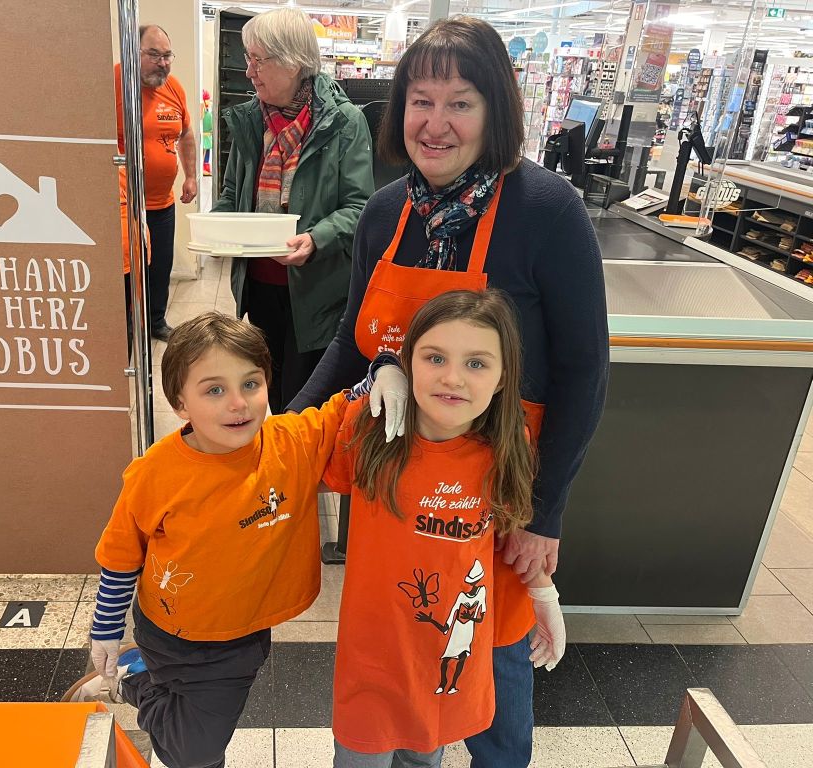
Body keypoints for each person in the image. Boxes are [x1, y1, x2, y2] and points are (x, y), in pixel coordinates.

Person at [289, 17, 608, 768]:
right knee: (405, 670)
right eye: (421, 101)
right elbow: (353, 343)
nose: (436, 124)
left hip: (497, 499)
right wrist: (284, 435)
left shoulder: (546, 212)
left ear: (496, 111)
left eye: (460, 103)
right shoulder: (385, 212)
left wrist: (544, 513)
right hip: (397, 497)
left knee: (493, 685)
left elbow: (585, 372)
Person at [87, 312, 406, 768]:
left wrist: (386, 368)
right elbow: (121, 557)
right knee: (194, 751)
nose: (238, 403)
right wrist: (105, 630)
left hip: (243, 634)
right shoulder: (155, 473)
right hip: (169, 631)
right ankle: (134, 680)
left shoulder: (289, 441)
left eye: (251, 384)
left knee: (198, 733)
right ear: (180, 404)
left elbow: (342, 405)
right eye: (214, 390)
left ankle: (139, 678)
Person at [324, 290, 565, 767]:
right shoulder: (370, 430)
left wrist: (544, 596)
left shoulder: (507, 446)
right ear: (409, 363)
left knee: (424, 757)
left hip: (442, 664)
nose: (452, 378)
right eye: (434, 358)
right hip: (372, 660)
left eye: (476, 364)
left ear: (502, 378)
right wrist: (378, 371)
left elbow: (511, 534)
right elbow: (297, 444)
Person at [210, 7, 374, 414]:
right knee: (271, 386)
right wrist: (215, 227)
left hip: (315, 293)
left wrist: (317, 239)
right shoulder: (250, 120)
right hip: (258, 285)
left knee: (304, 401)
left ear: (294, 62)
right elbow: (232, 193)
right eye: (248, 58)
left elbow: (360, 206)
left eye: (259, 60)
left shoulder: (344, 123)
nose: (249, 71)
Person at [116, 25, 197, 342]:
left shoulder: (173, 88)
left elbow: (186, 133)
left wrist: (190, 175)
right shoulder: (112, 84)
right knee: (128, 272)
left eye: (167, 56)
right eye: (153, 55)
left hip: (162, 203)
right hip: (124, 205)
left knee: (160, 268)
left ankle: (155, 321)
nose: (162, 63)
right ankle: (126, 327)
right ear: (132, 52)